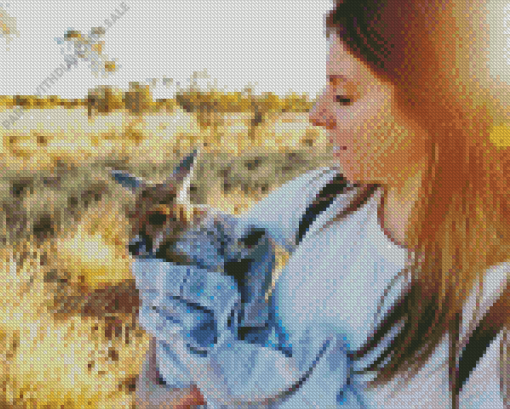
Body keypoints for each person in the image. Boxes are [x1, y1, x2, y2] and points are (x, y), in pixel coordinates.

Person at [134, 0, 510, 407]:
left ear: (436, 109)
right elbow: (198, 288)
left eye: (344, 95)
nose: (316, 113)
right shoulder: (323, 197)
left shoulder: (494, 317)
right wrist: (152, 387)